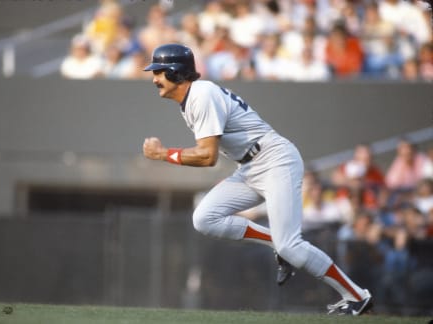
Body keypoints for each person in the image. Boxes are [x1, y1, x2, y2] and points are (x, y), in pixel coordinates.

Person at [142, 43, 373, 315]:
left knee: (291, 245)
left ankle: (357, 295)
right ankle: (276, 242)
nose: (154, 78)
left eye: (158, 71)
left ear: (176, 72)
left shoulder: (201, 95)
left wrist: (162, 154)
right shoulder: (193, 98)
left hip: (275, 159)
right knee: (204, 217)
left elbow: (207, 157)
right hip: (251, 166)